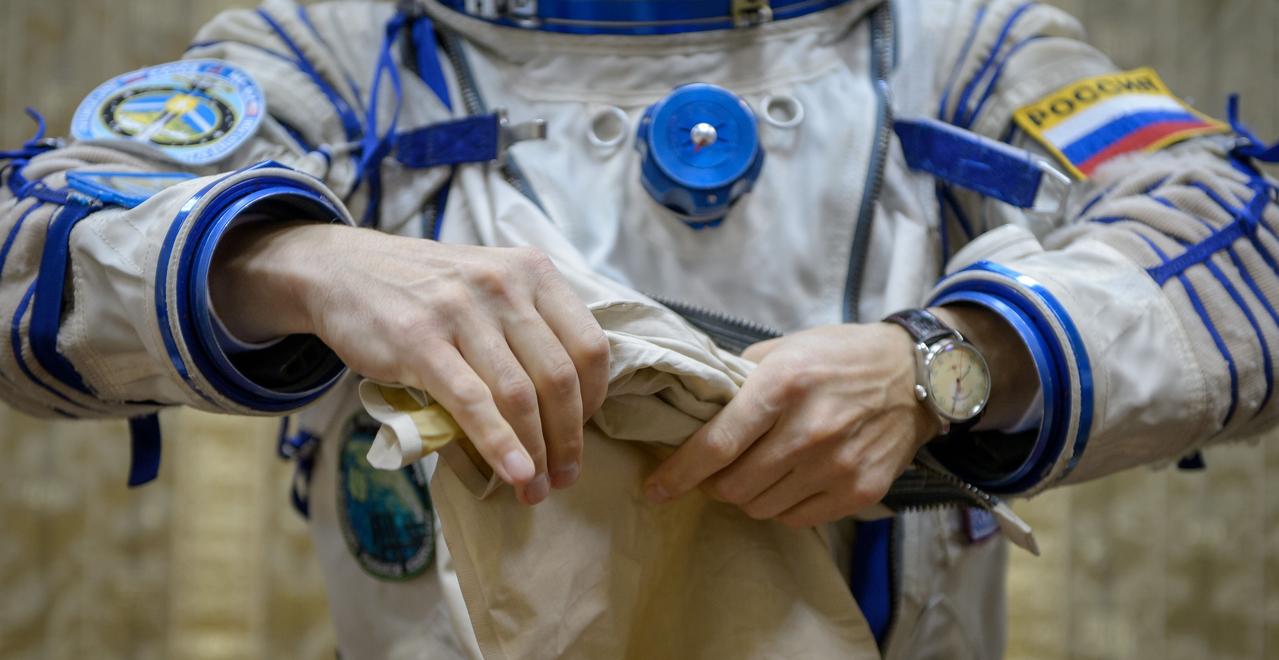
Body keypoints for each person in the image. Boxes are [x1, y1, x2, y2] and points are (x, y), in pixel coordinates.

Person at [1, 0, 1275, 657]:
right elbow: (28, 247)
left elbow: (1248, 237)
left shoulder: (952, 43)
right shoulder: (354, 48)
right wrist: (294, 257)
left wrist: (948, 362)